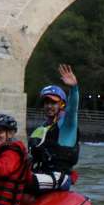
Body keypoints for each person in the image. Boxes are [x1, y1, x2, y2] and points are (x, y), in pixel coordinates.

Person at [27, 64, 81, 192]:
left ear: (62, 104)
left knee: (24, 181)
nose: (49, 106)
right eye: (46, 102)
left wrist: (74, 88)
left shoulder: (66, 126)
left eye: (53, 102)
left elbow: (72, 110)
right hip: (42, 174)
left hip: (59, 178)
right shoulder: (40, 129)